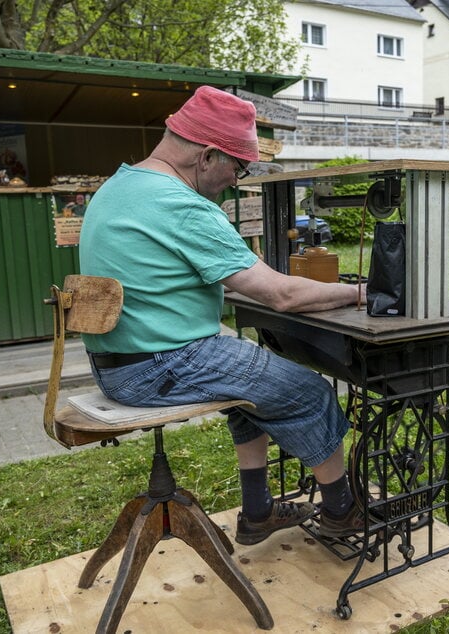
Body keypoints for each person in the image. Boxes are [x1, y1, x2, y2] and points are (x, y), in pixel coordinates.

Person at [78, 86, 366, 545]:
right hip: (160, 366)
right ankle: (341, 512)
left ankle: (257, 513)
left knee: (248, 389)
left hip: (117, 364)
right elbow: (280, 295)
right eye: (238, 166)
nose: (237, 178)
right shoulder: (182, 204)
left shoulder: (118, 186)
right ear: (209, 155)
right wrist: (358, 293)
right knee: (310, 392)